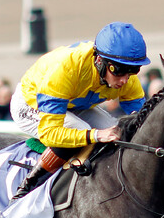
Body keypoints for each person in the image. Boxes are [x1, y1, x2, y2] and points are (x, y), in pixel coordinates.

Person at [8, 22, 149, 202]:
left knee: (117, 132)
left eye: (133, 71)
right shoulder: (66, 69)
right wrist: (96, 135)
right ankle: (27, 187)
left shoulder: (128, 80)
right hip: (30, 103)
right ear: (99, 61)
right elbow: (50, 133)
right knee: (81, 128)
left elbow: (143, 122)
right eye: (119, 71)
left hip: (73, 104)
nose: (124, 80)